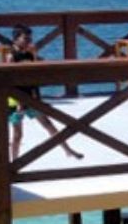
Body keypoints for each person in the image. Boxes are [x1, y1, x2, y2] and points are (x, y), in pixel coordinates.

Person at [6, 24, 82, 159]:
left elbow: (35, 73)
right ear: (16, 39)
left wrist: (34, 55)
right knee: (18, 134)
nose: (28, 41)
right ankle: (14, 161)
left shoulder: (29, 53)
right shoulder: (11, 56)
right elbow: (9, 80)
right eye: (25, 38)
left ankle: (67, 150)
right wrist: (18, 102)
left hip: (32, 95)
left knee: (48, 125)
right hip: (16, 98)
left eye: (30, 38)